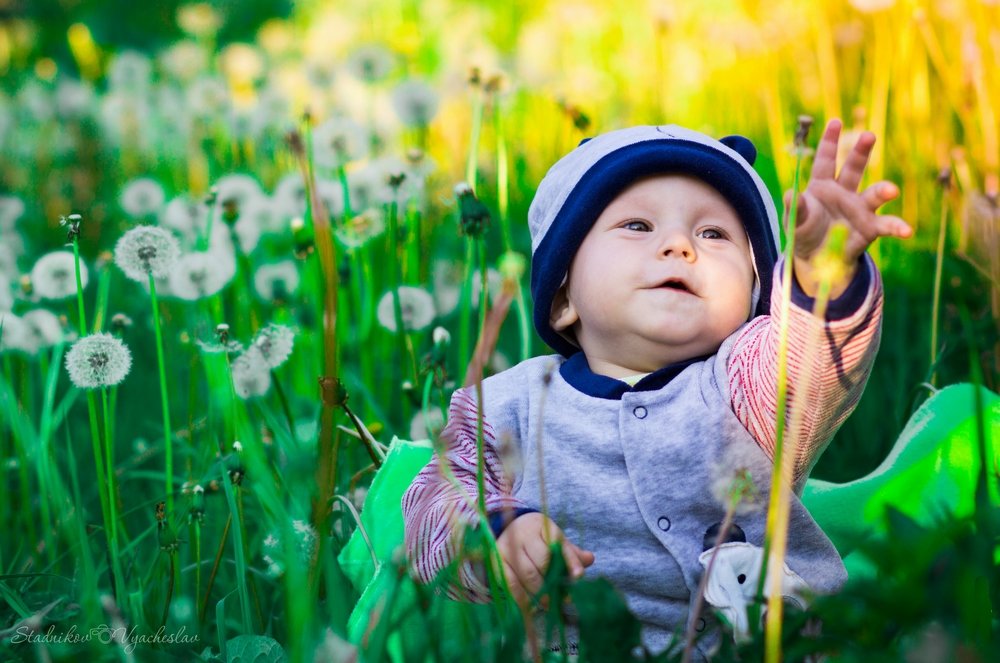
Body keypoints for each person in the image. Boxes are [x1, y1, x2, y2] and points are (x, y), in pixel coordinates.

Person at [401, 119, 912, 657]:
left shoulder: (745, 387)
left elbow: (808, 365)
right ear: (561, 298)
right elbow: (437, 496)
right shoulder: (509, 404)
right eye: (638, 226)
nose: (678, 245)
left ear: (754, 296)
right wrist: (495, 532)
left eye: (713, 234)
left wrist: (822, 278)